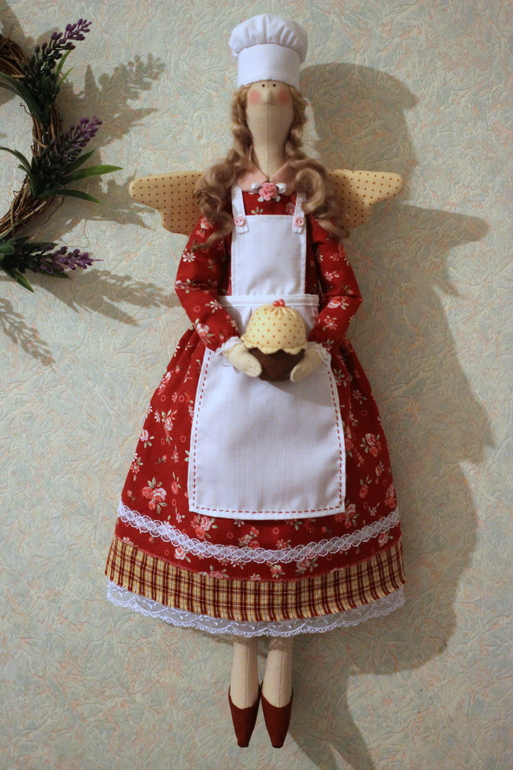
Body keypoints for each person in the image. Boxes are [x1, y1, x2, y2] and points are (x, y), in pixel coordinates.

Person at [105, 14, 405, 749]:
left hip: (306, 368)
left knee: (306, 490)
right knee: (219, 477)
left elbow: (344, 290)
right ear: (242, 108)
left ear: (294, 108)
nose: (268, 101)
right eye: (257, 93)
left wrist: (320, 343)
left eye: (279, 92)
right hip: (228, 366)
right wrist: (227, 343)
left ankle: (286, 648)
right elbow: (192, 283)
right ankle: (244, 647)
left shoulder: (313, 196)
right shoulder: (222, 198)